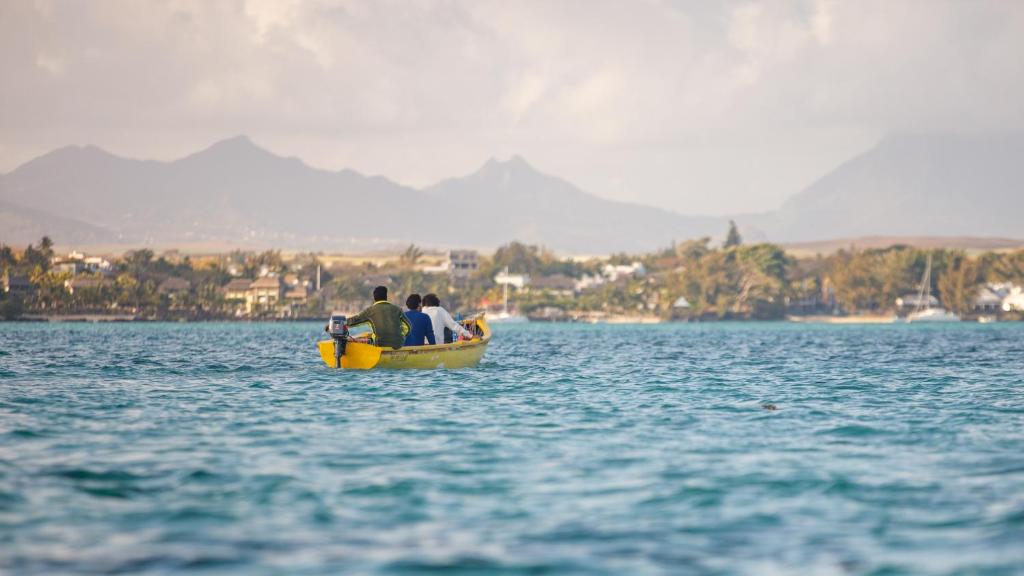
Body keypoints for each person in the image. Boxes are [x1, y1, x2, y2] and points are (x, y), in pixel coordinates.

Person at [345, 286, 411, 349]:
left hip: (379, 344)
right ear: (386, 296)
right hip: (397, 345)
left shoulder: (370, 310)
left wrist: (343, 322)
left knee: (370, 339)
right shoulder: (398, 309)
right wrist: (399, 336)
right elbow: (408, 327)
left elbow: (355, 320)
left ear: (374, 298)